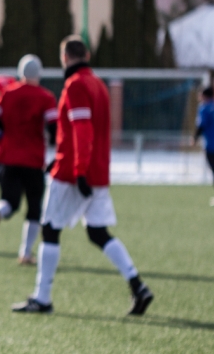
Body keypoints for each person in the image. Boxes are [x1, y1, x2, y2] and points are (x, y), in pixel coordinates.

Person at [13, 38, 154, 316]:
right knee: (98, 232)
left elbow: (82, 129)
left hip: (75, 174)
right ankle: (138, 285)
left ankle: (42, 298)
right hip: (97, 171)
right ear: (87, 55)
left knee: (50, 230)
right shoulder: (98, 84)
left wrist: (77, 170)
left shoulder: (75, 85)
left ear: (64, 57)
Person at [0, 54, 56, 266]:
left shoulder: (8, 93)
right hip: (33, 159)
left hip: (8, 157)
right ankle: (25, 253)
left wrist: (6, 133)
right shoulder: (46, 97)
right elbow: (54, 127)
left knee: (10, 201)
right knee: (34, 207)